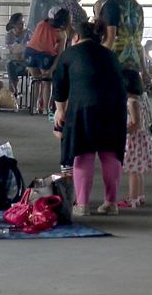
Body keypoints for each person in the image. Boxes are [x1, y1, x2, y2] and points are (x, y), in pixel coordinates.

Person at [52, 21, 127, 217]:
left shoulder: (70, 53)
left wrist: (60, 111)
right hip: (115, 108)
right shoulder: (110, 54)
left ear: (76, 37)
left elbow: (59, 85)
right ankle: (111, 203)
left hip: (84, 108)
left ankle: (83, 204)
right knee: (110, 154)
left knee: (83, 153)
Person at [101, 0, 147, 81]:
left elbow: (110, 38)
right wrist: (144, 69)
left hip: (115, 65)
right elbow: (138, 40)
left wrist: (98, 61)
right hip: (134, 65)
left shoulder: (111, 5)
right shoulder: (137, 6)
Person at [24, 8, 70, 114]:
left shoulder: (41, 23)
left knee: (36, 81)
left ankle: (34, 107)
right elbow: (60, 54)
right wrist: (51, 70)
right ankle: (45, 109)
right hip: (45, 56)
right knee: (46, 82)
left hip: (29, 53)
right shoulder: (62, 33)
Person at [120, 69, 152, 209]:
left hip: (134, 140)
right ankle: (140, 196)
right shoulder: (141, 99)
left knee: (132, 171)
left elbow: (136, 123)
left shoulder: (131, 102)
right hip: (141, 139)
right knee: (138, 170)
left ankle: (132, 199)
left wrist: (122, 132)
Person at [5, 12, 32, 95]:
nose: (22, 25)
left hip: (26, 63)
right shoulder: (9, 35)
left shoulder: (29, 33)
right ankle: (14, 89)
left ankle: (13, 90)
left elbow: (33, 48)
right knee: (10, 65)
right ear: (14, 24)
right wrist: (20, 43)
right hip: (15, 63)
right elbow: (10, 50)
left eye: (23, 23)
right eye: (20, 23)